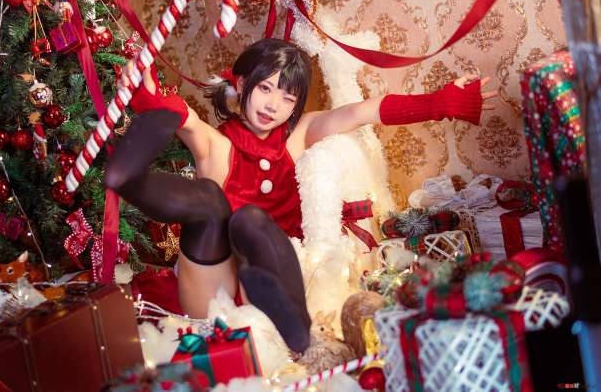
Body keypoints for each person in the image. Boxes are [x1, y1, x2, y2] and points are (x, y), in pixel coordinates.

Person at [104, 38, 496, 352]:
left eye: (287, 97)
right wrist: (145, 93)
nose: (273, 105)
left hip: (281, 280)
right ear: (240, 84)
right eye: (265, 88)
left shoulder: (300, 135)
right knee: (213, 205)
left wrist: (443, 102)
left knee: (251, 222)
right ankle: (127, 179)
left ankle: (293, 328)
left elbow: (363, 112)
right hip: (216, 289)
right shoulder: (216, 146)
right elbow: (183, 118)